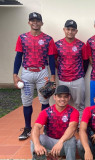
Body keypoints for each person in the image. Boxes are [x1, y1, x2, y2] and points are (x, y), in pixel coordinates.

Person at [13, 12, 56, 140]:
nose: (35, 22)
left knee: (44, 100)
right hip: (26, 73)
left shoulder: (48, 39)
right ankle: (27, 128)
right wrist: (15, 74)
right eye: (32, 20)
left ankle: (45, 126)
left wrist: (52, 76)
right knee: (26, 101)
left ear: (42, 23)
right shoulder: (22, 38)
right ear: (29, 22)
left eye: (37, 20)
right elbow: (18, 57)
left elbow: (51, 59)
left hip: (42, 72)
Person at [31, 85, 79, 160]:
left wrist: (60, 142)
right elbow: (36, 127)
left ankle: (56, 155)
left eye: (65, 96)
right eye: (59, 96)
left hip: (64, 144)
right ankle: (43, 156)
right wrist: (37, 145)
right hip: (50, 142)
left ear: (69, 98)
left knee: (72, 140)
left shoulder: (73, 111)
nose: (62, 99)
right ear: (54, 97)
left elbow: (72, 128)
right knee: (37, 138)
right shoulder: (46, 112)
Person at [54, 19, 89, 121]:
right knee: (62, 104)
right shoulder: (57, 45)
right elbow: (54, 60)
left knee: (80, 105)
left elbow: (86, 61)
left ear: (76, 31)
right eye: (68, 29)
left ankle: (79, 126)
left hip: (77, 79)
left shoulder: (81, 45)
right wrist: (61, 69)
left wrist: (81, 75)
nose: (70, 31)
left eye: (73, 30)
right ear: (64, 29)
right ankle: (65, 124)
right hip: (63, 80)